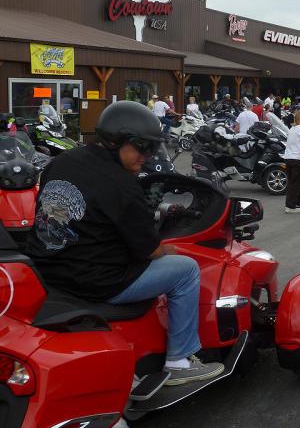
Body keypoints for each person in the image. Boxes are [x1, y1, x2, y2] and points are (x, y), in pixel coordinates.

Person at [23, 101, 224, 385]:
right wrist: (169, 248)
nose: (148, 155)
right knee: (186, 269)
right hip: (98, 282)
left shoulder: (61, 162)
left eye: (153, 148)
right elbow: (150, 250)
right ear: (117, 141)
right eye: (143, 146)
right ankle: (179, 361)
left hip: (47, 272)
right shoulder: (122, 184)